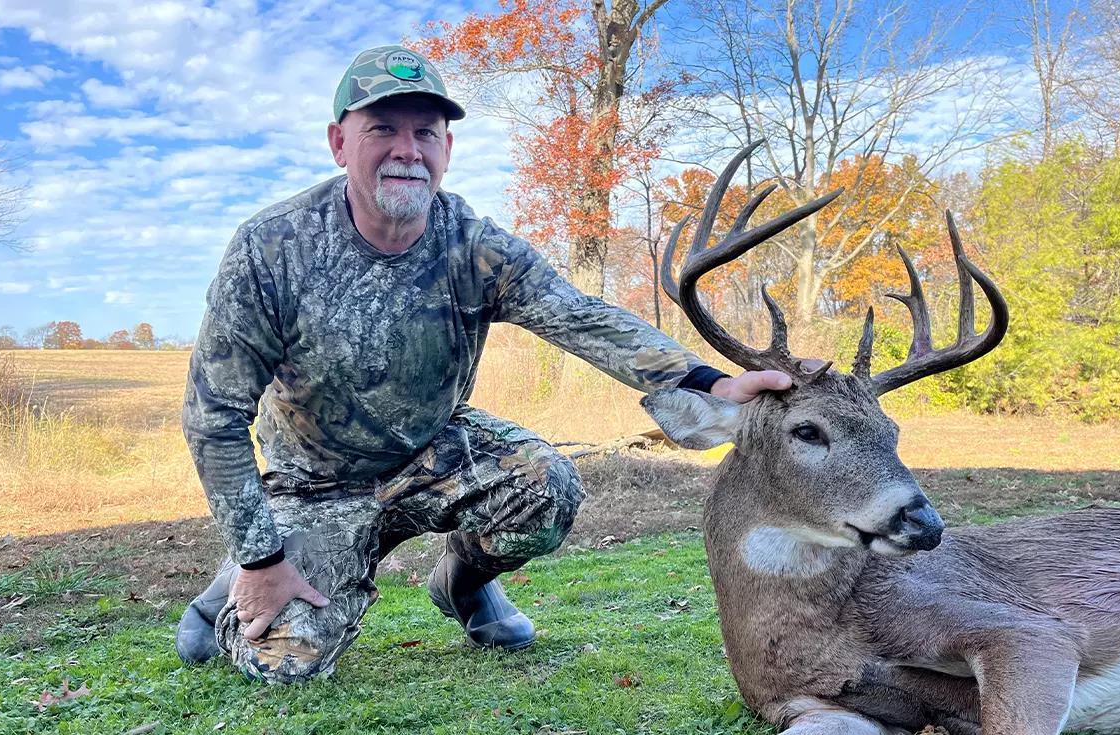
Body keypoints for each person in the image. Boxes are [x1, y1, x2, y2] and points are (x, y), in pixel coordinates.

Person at [176, 44, 790, 683]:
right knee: (284, 662)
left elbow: (579, 317)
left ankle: (463, 584)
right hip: (317, 482)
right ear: (339, 143)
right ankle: (242, 575)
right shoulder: (271, 248)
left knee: (546, 488)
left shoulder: (473, 244)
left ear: (446, 149)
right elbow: (213, 416)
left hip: (432, 449)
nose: (407, 150)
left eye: (426, 133)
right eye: (382, 129)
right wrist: (261, 559)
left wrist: (710, 381)